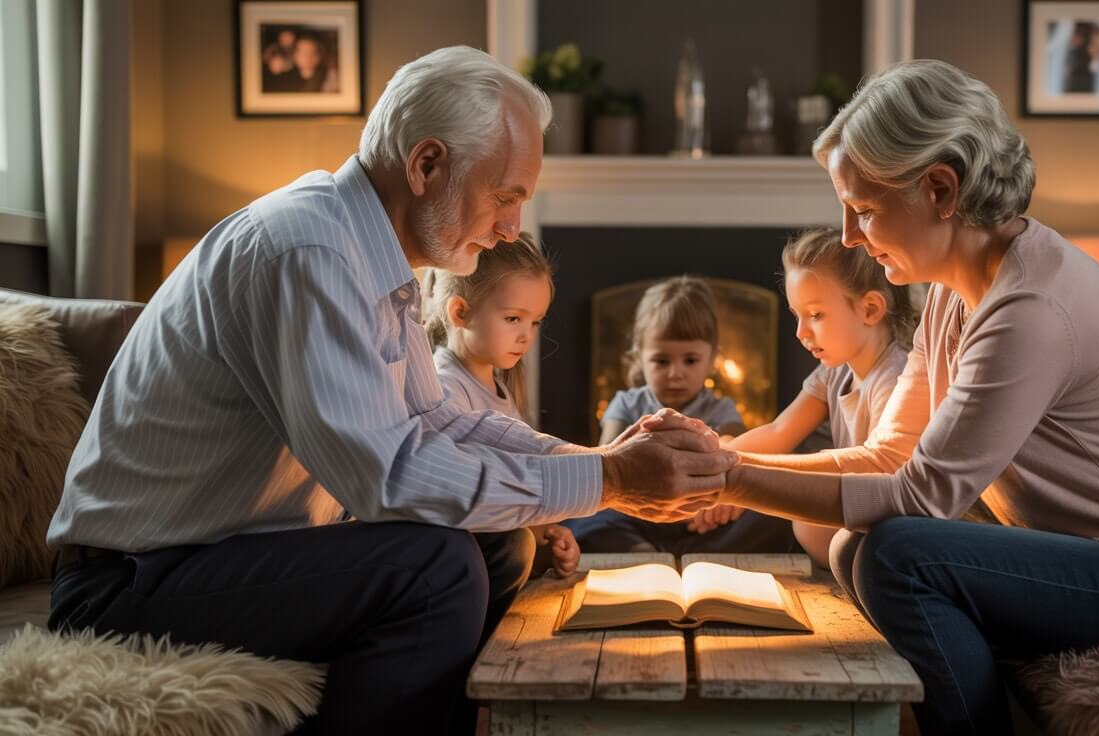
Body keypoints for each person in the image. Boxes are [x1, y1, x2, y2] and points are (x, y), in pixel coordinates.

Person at [45, 46, 733, 735]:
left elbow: (437, 421)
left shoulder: (373, 261)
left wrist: (593, 460)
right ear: (426, 164)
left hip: (217, 560)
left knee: (500, 545)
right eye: (504, 197)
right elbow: (389, 474)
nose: (511, 229)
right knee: (435, 567)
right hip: (128, 585)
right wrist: (609, 480)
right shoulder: (308, 250)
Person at [650, 59, 1099, 734]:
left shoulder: (1029, 309)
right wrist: (727, 463)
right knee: (853, 547)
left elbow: (922, 497)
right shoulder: (952, 293)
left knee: (898, 554)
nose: (850, 236)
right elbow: (889, 455)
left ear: (941, 189)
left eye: (864, 210)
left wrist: (728, 480)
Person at [705, 227, 913, 568]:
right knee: (774, 505)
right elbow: (779, 431)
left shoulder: (895, 378)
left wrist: (732, 477)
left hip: (887, 519)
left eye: (815, 315)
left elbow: (879, 473)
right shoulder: (835, 370)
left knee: (798, 514)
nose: (801, 333)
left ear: (870, 309)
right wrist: (712, 463)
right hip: (850, 515)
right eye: (796, 315)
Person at [565, 276, 794, 555]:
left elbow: (733, 455)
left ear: (712, 360)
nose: (675, 373)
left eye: (690, 360)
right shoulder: (625, 405)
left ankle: (684, 554)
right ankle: (646, 550)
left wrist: (724, 499)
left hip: (702, 520)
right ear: (639, 357)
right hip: (639, 515)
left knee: (773, 513)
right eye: (662, 361)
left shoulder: (721, 409)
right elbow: (606, 462)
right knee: (583, 517)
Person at [419, 235, 580, 579]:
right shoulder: (444, 388)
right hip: (459, 550)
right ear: (461, 312)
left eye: (535, 322)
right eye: (512, 319)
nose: (527, 336)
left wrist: (547, 532)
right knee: (513, 545)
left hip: (497, 538)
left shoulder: (499, 387)